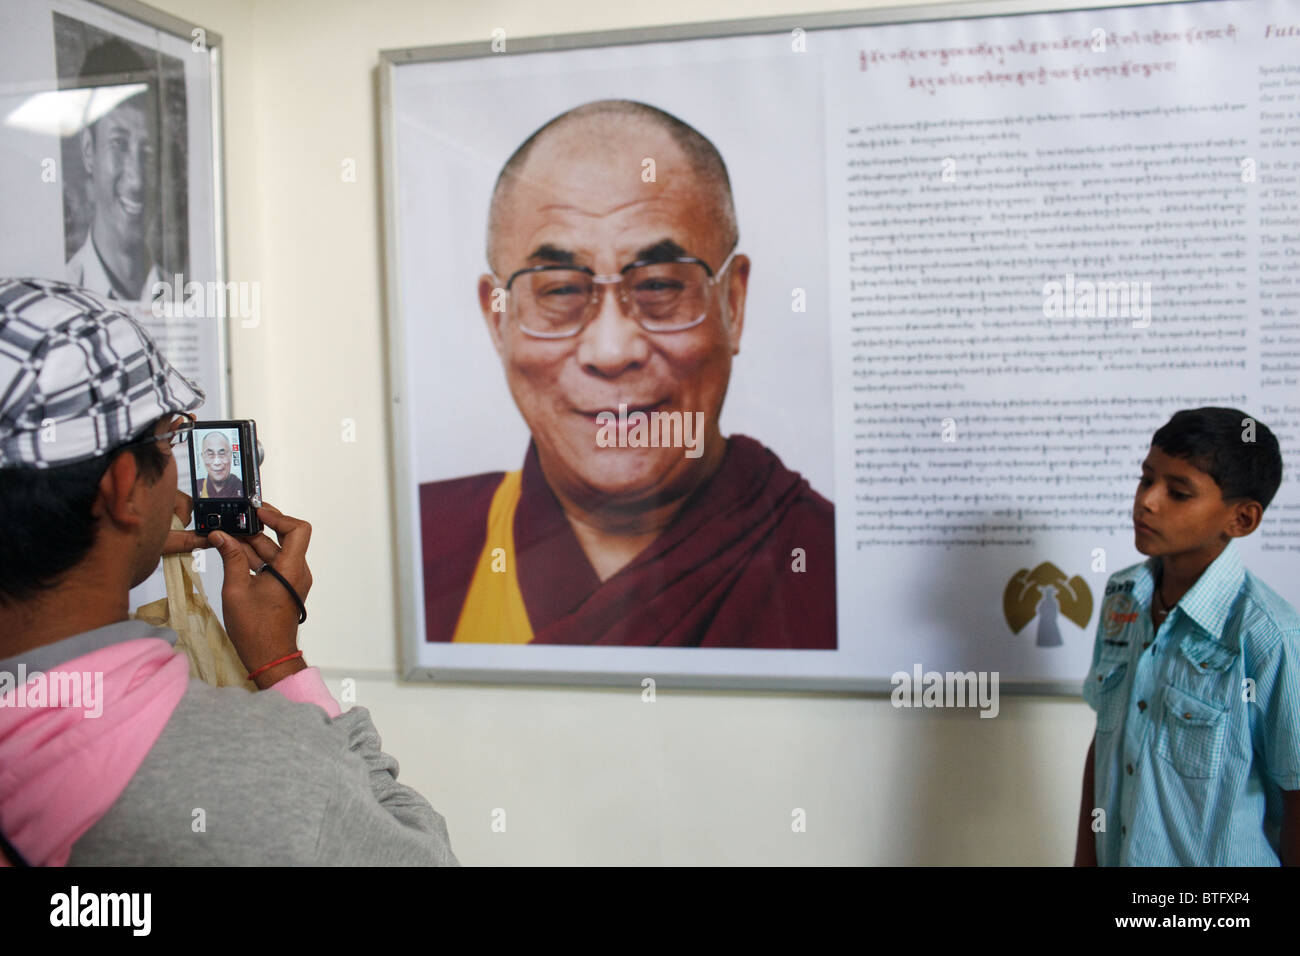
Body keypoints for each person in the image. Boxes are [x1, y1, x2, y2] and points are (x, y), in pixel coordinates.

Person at [0, 278, 458, 866]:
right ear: (121, 486)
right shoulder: (275, 774)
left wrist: (118, 545)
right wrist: (281, 664)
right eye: (169, 442)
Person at [419, 99, 835, 649]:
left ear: (733, 303)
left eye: (660, 285)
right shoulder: (425, 546)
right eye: (562, 290)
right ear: (499, 317)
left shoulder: (830, 563)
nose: (612, 350)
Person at [1074, 407, 1300, 866]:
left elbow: (1296, 793)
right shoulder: (1123, 596)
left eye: (1178, 493)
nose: (1147, 502)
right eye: (1145, 480)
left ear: (1241, 519)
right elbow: (1105, 740)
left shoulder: (1267, 635)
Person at [64, 39, 165, 303]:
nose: (137, 180)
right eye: (119, 144)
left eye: (148, 151)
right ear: (88, 150)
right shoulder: (65, 298)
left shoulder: (184, 295)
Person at [197, 430, 243, 498]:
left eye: (222, 453)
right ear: (203, 457)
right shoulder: (197, 487)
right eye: (210, 454)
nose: (217, 462)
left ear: (230, 455)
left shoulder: (242, 488)